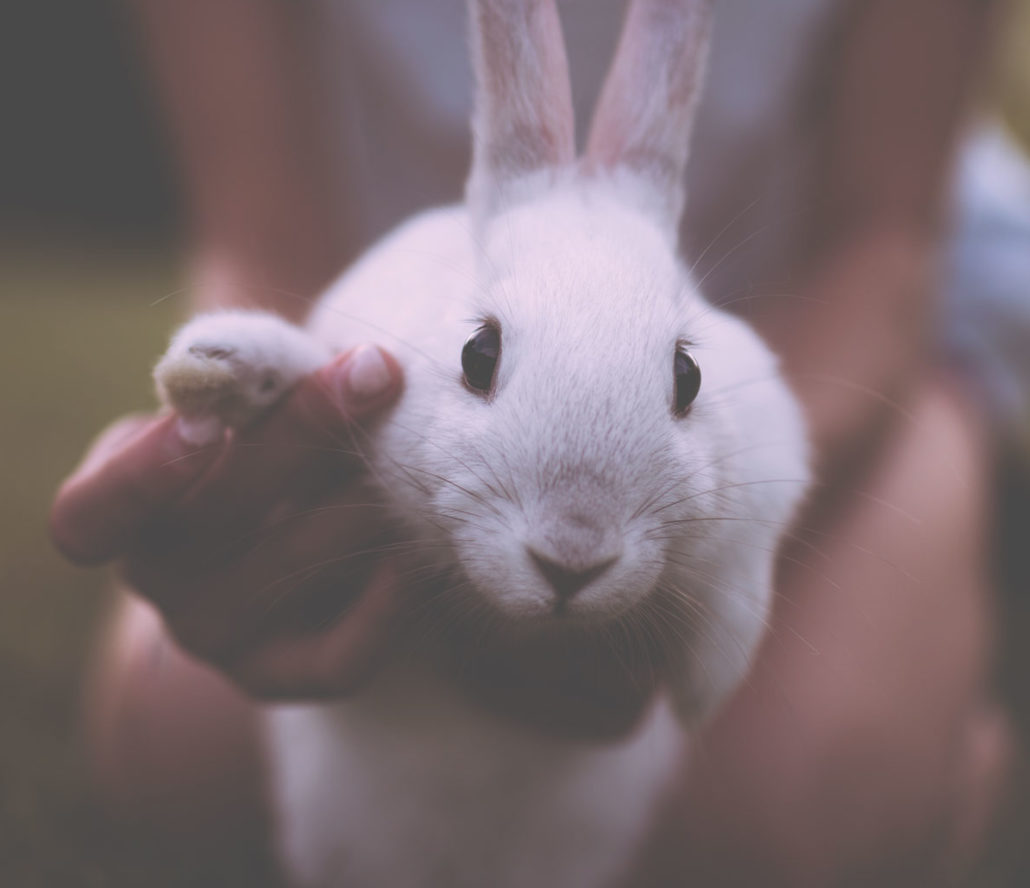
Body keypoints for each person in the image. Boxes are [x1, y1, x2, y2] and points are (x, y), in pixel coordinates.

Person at [51, 0, 1023, 883]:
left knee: (770, 823)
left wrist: (723, 542)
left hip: (829, 311)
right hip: (400, 268)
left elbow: (882, 237)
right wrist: (266, 438)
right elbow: (262, 233)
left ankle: (949, 749)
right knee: (179, 751)